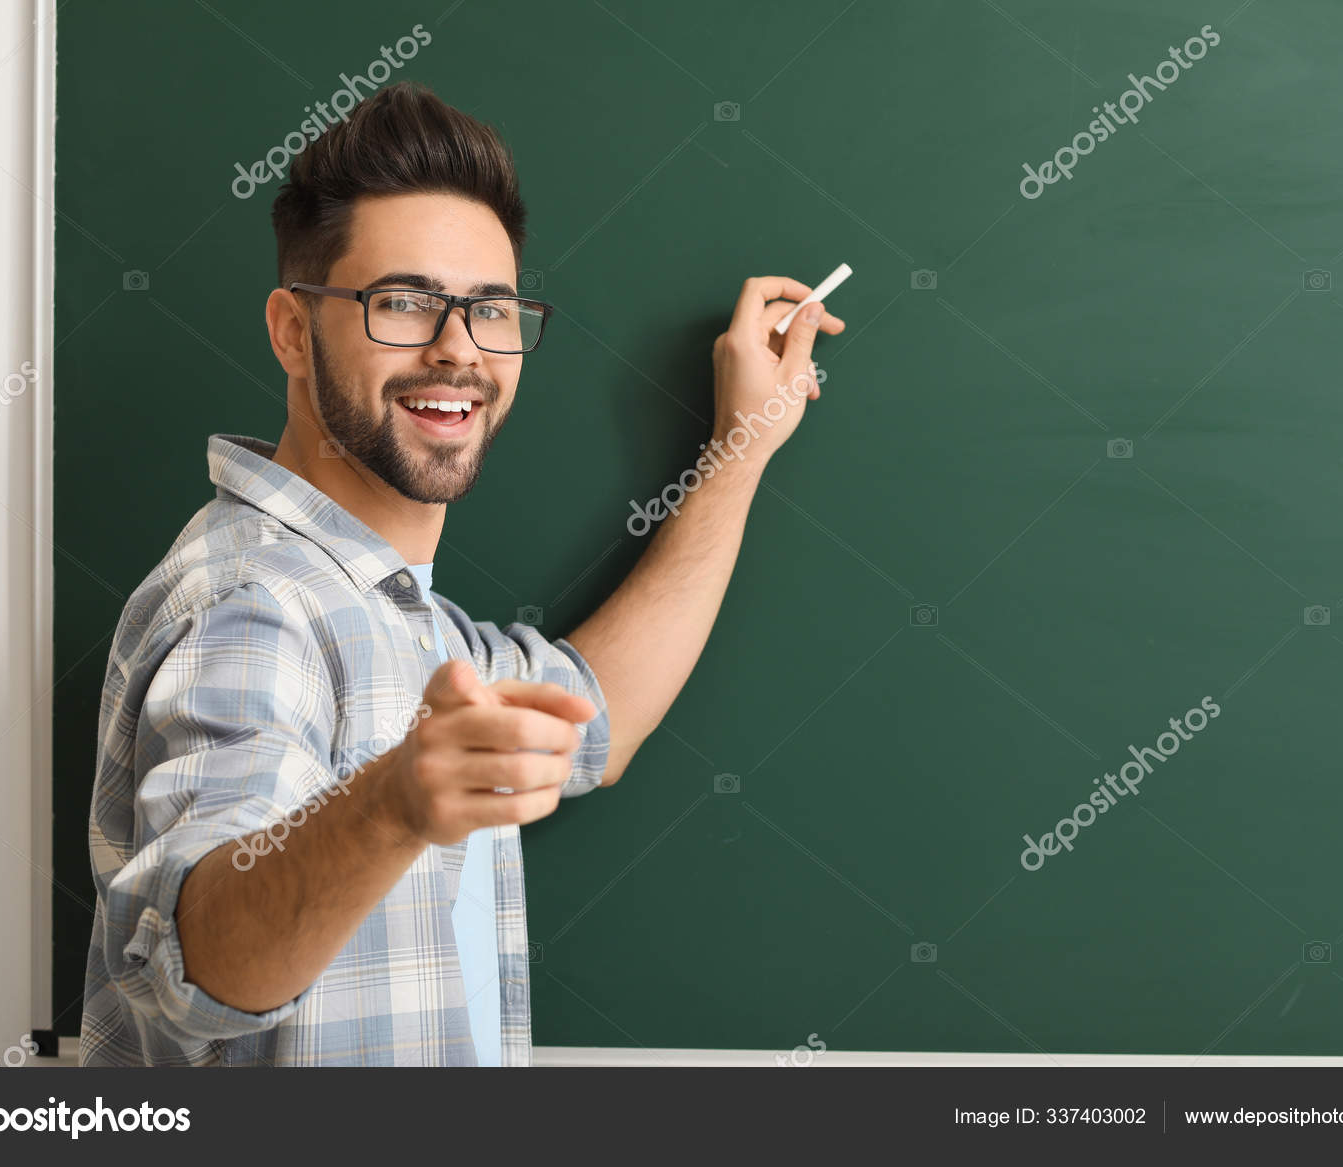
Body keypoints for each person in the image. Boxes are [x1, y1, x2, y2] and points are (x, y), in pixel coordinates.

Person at [80, 80, 844, 1066]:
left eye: (490, 311)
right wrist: (391, 804)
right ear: (289, 331)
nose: (458, 351)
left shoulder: (398, 618)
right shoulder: (253, 604)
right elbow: (195, 961)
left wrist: (741, 446)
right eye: (402, 303)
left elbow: (592, 718)